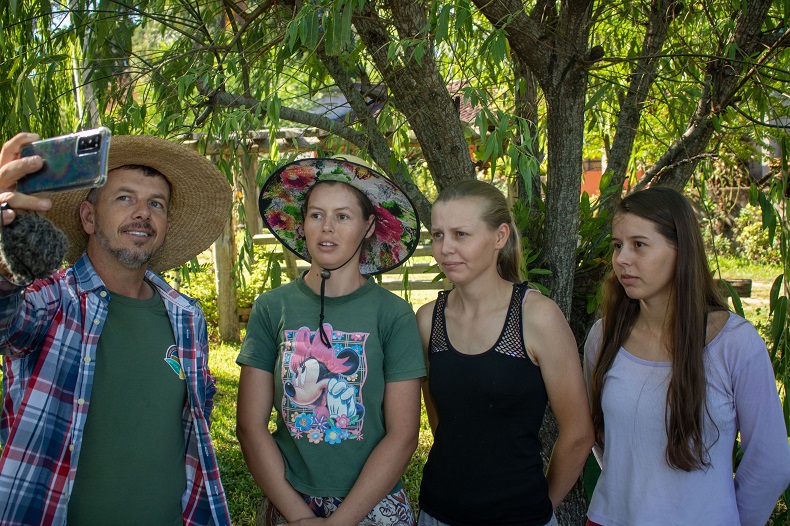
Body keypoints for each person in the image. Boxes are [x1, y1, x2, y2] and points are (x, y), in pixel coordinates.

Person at [0, 132, 233, 525]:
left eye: (156, 203)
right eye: (125, 198)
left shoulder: (186, 317)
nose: (142, 213)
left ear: (166, 223)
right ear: (89, 217)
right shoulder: (52, 300)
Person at [236, 157, 426, 525]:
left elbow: (404, 435)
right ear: (302, 223)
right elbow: (250, 426)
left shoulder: (393, 315)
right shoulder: (272, 308)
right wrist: (300, 517)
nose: (327, 227)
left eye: (343, 216)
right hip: (290, 499)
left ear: (368, 226)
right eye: (316, 215)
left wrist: (342, 520)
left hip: (373, 503)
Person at [584, 187, 790, 526]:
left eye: (639, 245)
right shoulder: (603, 337)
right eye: (618, 245)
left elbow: (771, 463)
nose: (621, 259)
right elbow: (602, 437)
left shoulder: (734, 344)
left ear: (681, 251)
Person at [417, 179, 595, 526]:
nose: (446, 248)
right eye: (438, 235)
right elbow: (442, 420)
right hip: (437, 513)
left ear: (500, 237)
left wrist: (540, 507)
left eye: (461, 234)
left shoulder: (537, 317)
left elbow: (578, 434)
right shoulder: (428, 320)